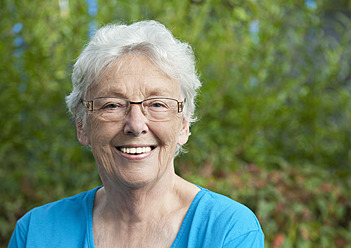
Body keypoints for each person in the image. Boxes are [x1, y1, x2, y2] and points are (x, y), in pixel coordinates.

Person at [8, 20, 264, 247]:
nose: (136, 124)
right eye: (112, 105)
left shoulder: (228, 232)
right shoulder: (36, 233)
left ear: (184, 124)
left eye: (157, 104)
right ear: (82, 125)